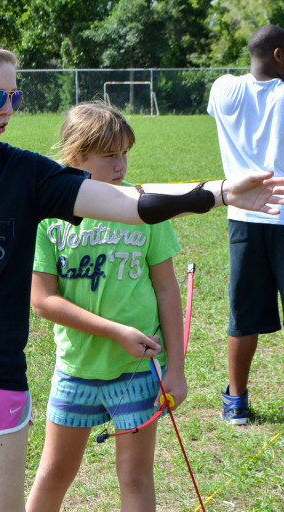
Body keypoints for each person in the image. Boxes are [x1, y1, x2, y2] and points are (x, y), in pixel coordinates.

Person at [0, 36, 284, 512]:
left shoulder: (24, 173)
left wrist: (217, 192)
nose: (10, 109)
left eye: (16, 97)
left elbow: (128, 203)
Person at [26, 103, 186, 512]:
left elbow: (167, 290)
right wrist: (115, 331)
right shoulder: (48, 215)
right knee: (53, 474)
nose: (122, 164)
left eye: (125, 152)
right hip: (77, 368)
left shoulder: (145, 207)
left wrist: (177, 370)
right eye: (110, 154)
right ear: (76, 155)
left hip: (138, 371)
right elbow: (42, 300)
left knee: (135, 477)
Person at [207, 24, 284, 425]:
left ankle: (235, 400)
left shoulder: (223, 89)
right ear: (279, 55)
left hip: (243, 214)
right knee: (243, 314)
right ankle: (235, 400)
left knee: (243, 314)